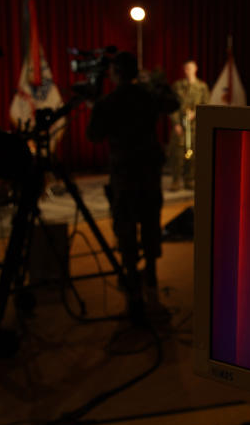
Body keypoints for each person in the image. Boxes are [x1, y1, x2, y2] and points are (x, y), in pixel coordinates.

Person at [86, 51, 179, 323]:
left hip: (124, 177)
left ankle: (133, 292)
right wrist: (158, 82)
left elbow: (93, 135)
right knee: (150, 228)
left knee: (126, 232)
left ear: (115, 73)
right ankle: (151, 282)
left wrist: (95, 104)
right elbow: (172, 104)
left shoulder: (109, 101)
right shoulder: (148, 97)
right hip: (148, 174)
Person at [168, 60, 210, 191]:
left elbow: (206, 105)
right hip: (180, 126)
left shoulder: (202, 86)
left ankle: (189, 179)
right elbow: (171, 105)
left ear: (195, 69)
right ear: (183, 69)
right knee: (177, 154)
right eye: (186, 68)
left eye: (190, 68)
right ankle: (175, 180)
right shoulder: (177, 86)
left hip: (194, 127)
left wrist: (195, 114)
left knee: (191, 153)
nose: (188, 70)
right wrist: (176, 124)